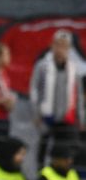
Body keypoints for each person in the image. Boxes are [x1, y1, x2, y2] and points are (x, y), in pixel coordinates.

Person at [30, 29, 83, 166]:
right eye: (58, 45)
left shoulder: (74, 69)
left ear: (69, 48)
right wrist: (36, 112)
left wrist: (81, 118)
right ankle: (41, 173)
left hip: (67, 117)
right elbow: (34, 89)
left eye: (64, 46)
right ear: (52, 45)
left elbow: (78, 95)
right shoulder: (43, 66)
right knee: (43, 148)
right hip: (47, 115)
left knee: (70, 147)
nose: (61, 49)